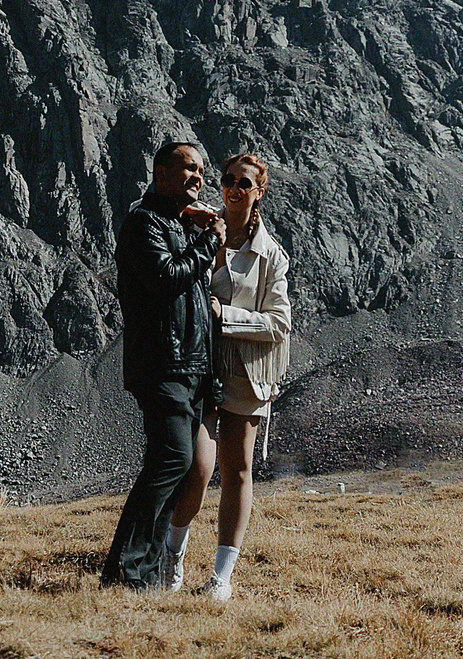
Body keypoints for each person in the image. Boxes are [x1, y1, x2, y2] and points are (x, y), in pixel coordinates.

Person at [166, 151, 292, 600]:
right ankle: (172, 558)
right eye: (228, 180)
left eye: (244, 183)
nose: (234, 189)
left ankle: (221, 577)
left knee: (236, 470)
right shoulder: (200, 227)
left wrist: (228, 316)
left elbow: (279, 322)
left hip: (245, 372)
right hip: (198, 365)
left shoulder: (271, 255)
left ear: (259, 192)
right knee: (196, 466)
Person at [98, 139, 221, 589]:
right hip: (162, 364)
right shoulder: (142, 224)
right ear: (161, 173)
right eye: (188, 168)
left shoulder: (174, 223)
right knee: (172, 457)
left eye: (202, 171)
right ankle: (125, 572)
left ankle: (142, 574)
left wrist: (196, 230)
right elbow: (166, 278)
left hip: (188, 367)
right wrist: (209, 241)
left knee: (180, 465)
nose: (198, 178)